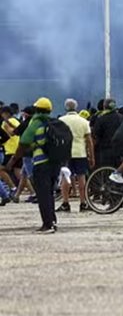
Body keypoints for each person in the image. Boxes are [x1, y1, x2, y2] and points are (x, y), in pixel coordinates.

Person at [7, 97, 60, 233]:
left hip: (41, 163)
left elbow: (24, 142)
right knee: (49, 193)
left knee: (42, 194)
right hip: (54, 163)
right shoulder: (52, 122)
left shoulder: (36, 122)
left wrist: (13, 160)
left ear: (37, 109)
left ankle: (47, 225)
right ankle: (53, 220)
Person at [58, 99, 94, 214]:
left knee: (65, 177)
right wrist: (91, 156)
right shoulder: (84, 121)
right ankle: (83, 203)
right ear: (76, 107)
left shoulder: (61, 121)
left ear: (65, 108)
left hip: (65, 153)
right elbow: (89, 140)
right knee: (81, 178)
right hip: (80, 153)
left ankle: (65, 203)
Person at [91, 98, 122, 169]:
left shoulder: (101, 119)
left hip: (105, 150)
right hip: (120, 149)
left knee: (105, 170)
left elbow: (95, 135)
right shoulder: (121, 117)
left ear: (104, 106)